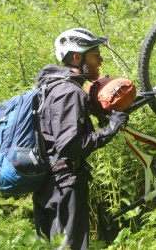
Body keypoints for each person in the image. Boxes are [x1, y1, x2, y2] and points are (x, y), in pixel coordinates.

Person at [32, 28, 129, 249]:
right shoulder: (69, 91)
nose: (101, 60)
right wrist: (110, 130)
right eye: (95, 54)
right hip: (64, 186)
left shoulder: (49, 88)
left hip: (46, 186)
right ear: (77, 57)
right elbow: (69, 146)